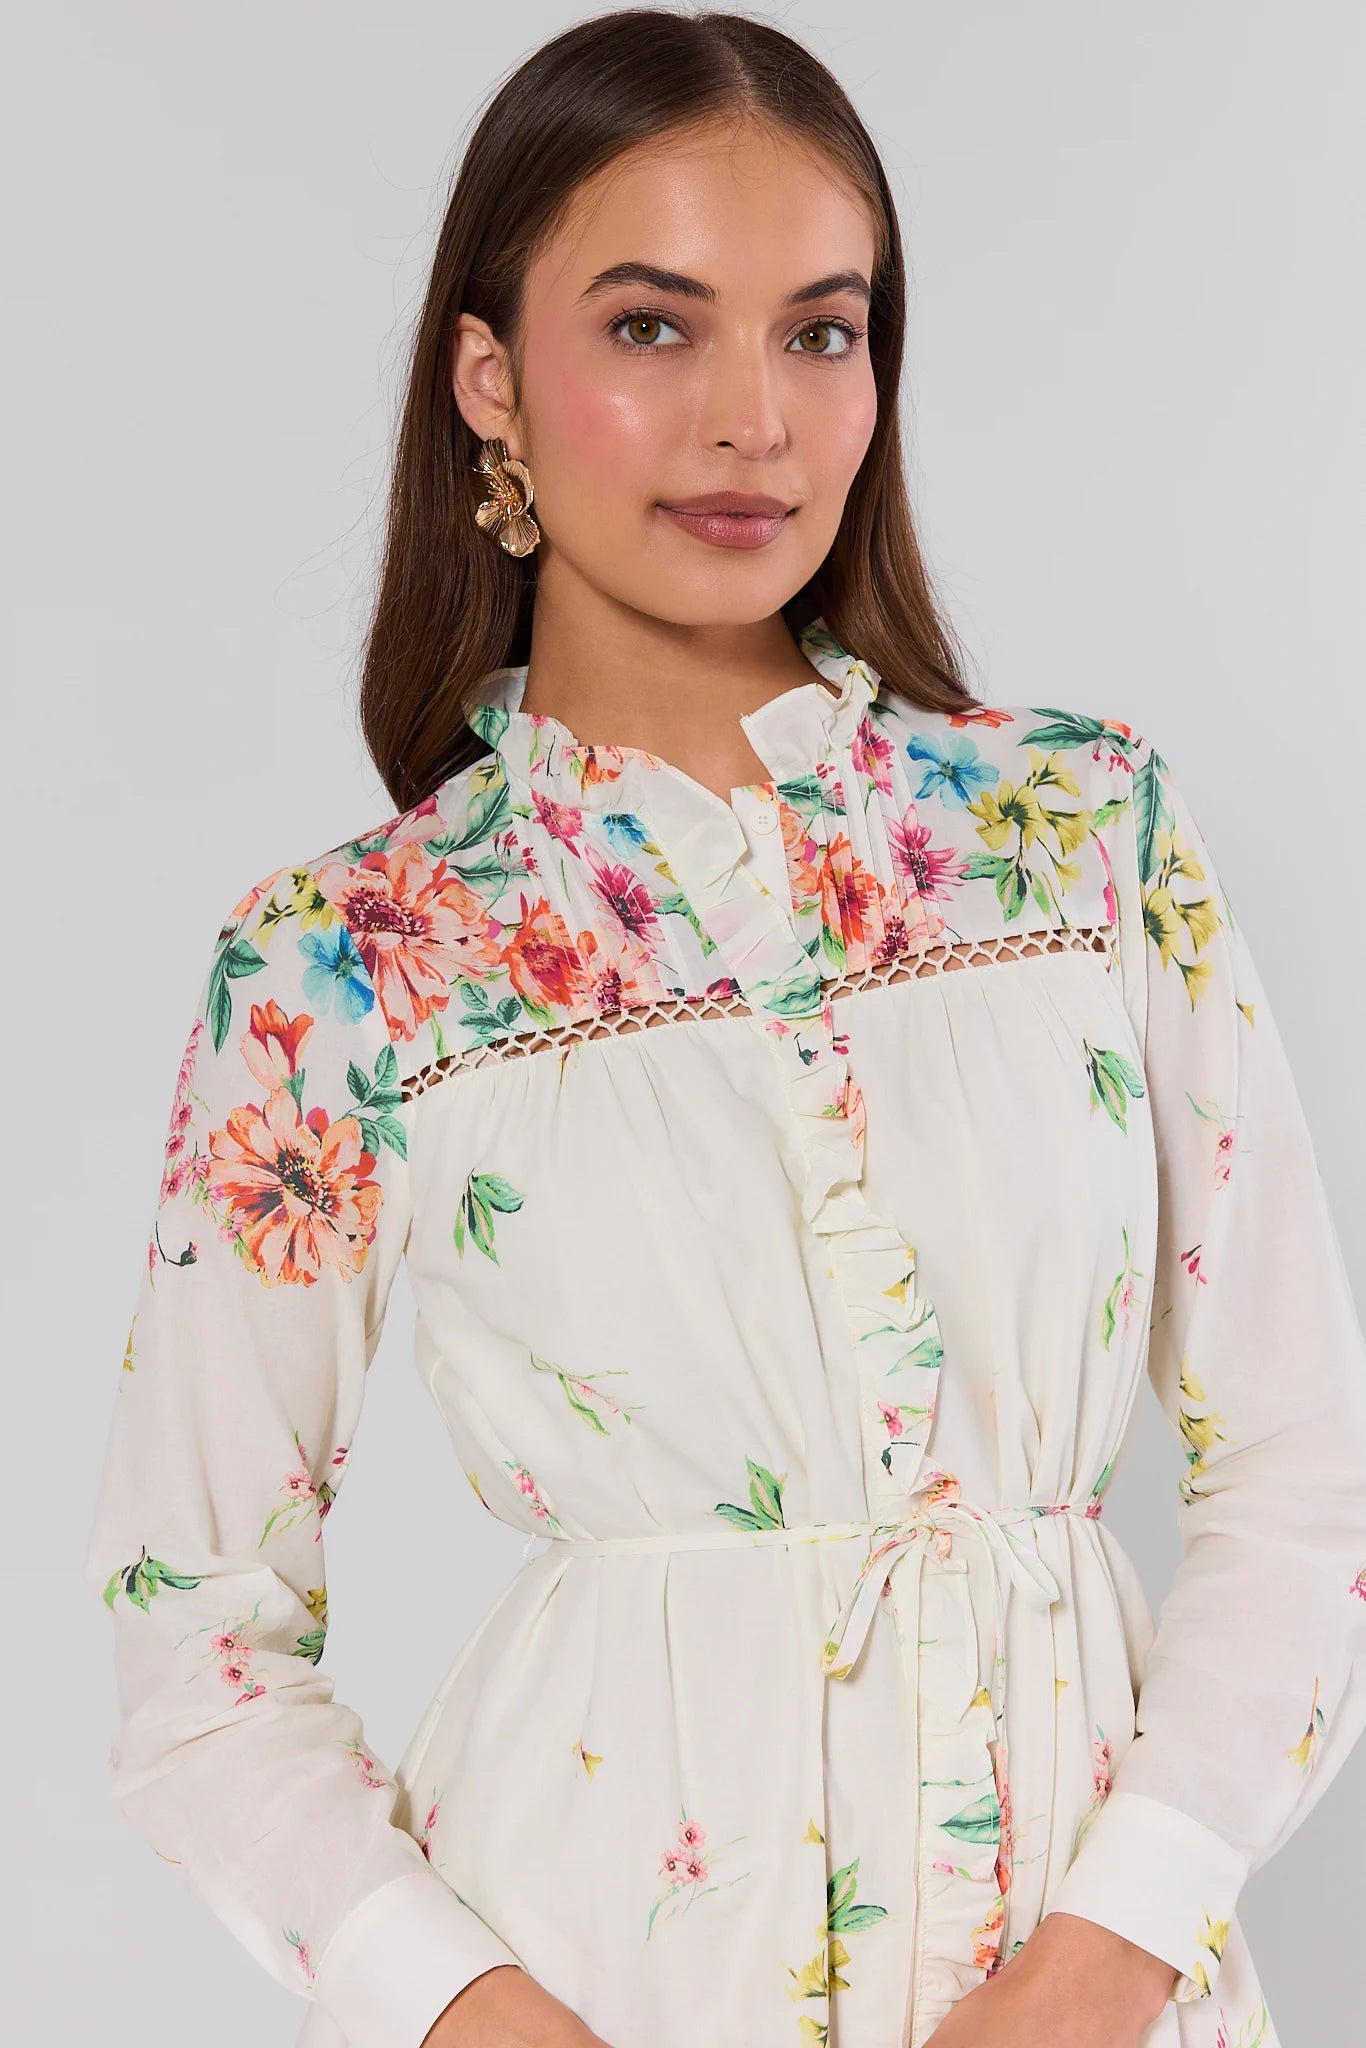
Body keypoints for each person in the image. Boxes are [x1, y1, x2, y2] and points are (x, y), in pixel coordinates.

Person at [83, 12, 1366, 2048]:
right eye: (655, 329)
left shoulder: (1078, 829)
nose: (753, 420)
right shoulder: (347, 961)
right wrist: (482, 2020)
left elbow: (1305, 1479)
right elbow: (196, 1645)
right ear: (487, 375)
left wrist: (1108, 1955)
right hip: (603, 1978)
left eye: (820, 332)